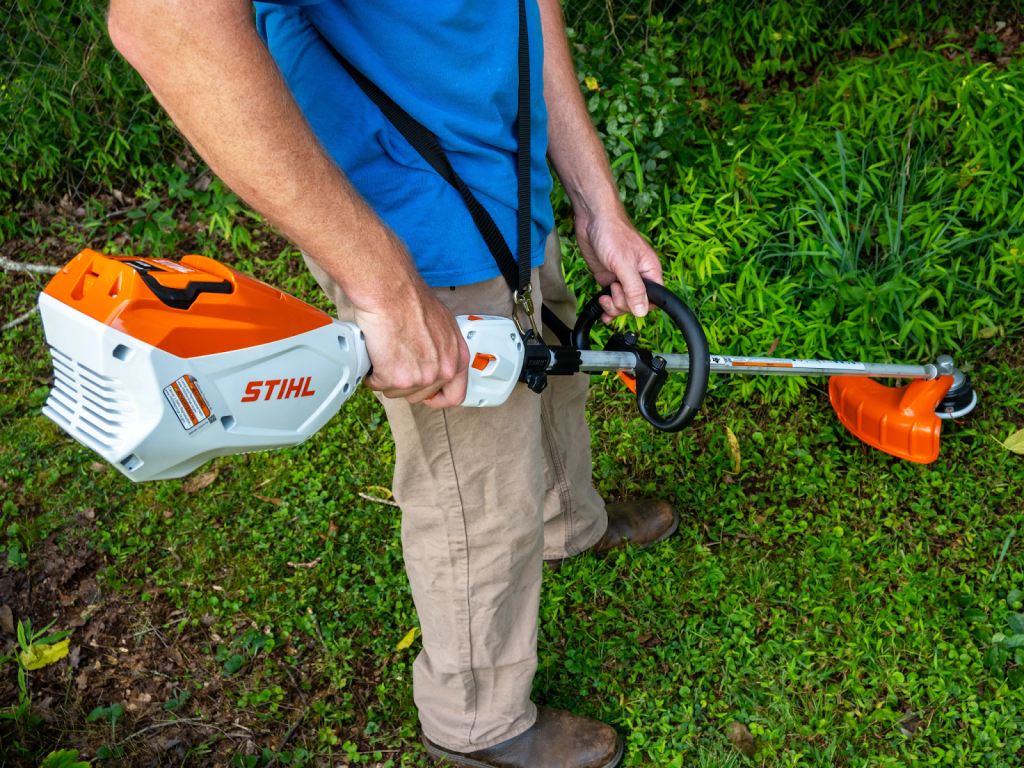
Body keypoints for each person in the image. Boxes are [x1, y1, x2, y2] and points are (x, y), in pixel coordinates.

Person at [108, 1, 678, 765]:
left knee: (550, 354)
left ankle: (565, 521)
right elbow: (166, 24)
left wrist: (594, 198)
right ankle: (477, 720)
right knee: (476, 476)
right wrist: (384, 287)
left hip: (503, 172)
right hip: (414, 202)